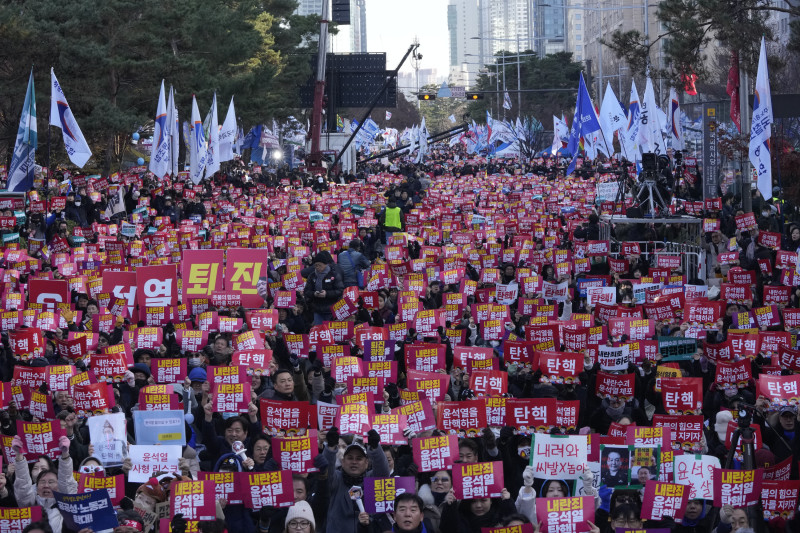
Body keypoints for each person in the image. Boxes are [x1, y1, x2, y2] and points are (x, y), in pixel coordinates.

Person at [12, 435, 77, 532]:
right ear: (36, 487)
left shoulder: (66, 509)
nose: (46, 485)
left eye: (51, 482)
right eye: (42, 482)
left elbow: (67, 483)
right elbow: (23, 488)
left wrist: (65, 455)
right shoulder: (29, 506)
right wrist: (19, 455)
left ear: (59, 486)